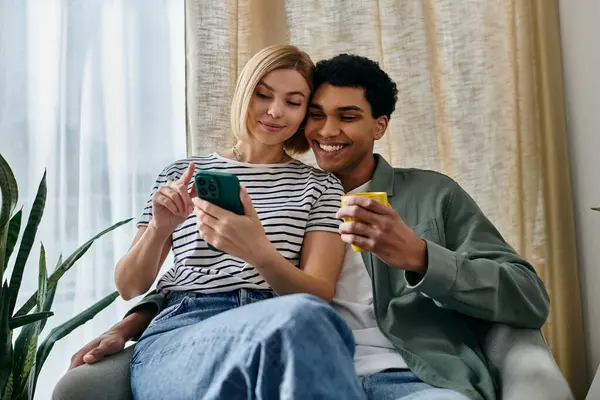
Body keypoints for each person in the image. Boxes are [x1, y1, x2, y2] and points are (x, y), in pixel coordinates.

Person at [58, 54, 550, 400]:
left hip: (404, 373)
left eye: (347, 116)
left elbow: (528, 297)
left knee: (304, 318)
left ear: (379, 125)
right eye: (315, 113)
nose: (326, 130)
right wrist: (132, 317)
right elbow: (192, 281)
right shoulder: (233, 182)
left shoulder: (427, 195)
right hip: (271, 356)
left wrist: (420, 256)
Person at [112, 44, 358, 399]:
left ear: (305, 113)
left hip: (280, 323)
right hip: (185, 326)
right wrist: (159, 228)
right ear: (245, 93)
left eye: (293, 102)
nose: (275, 112)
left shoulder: (319, 186)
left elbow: (319, 294)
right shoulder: (182, 173)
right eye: (263, 95)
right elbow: (129, 287)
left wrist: (258, 251)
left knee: (306, 319)